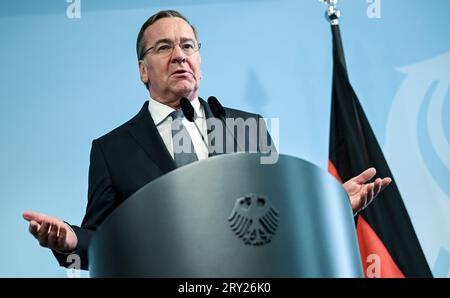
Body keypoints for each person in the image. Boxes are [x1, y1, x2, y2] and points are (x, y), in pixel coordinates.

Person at [23, 10, 391, 271]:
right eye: (164, 47)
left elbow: (276, 216)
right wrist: (71, 240)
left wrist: (330, 205)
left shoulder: (247, 127)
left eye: (188, 46)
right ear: (142, 70)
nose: (180, 55)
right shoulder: (112, 149)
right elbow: (102, 240)